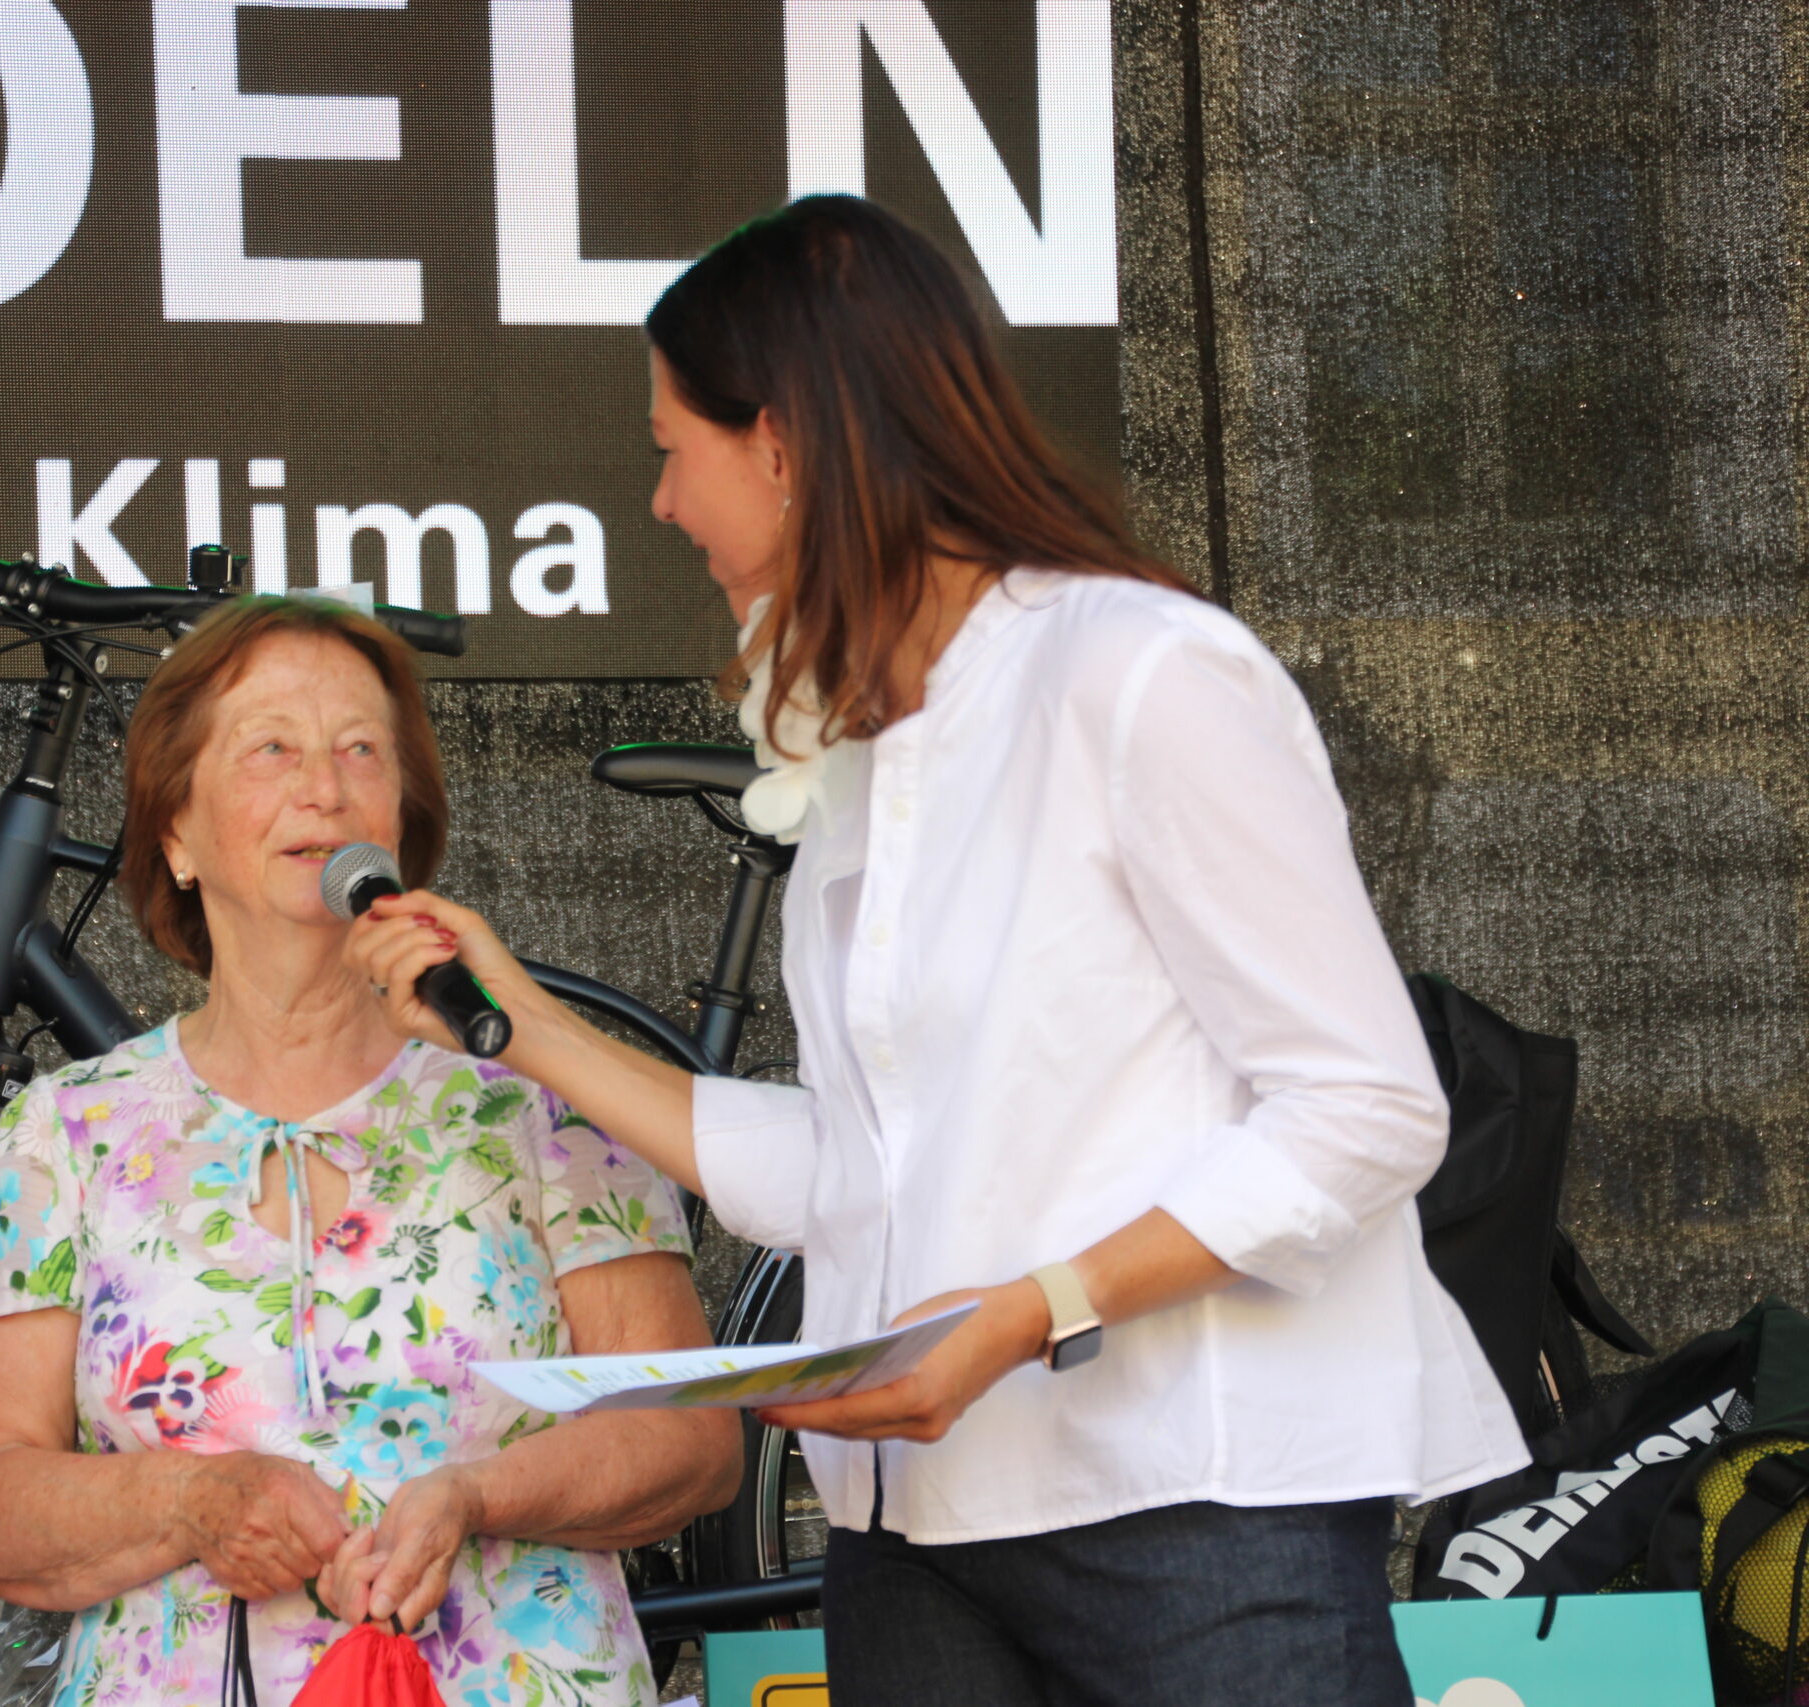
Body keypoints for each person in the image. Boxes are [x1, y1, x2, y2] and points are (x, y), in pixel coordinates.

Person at [346, 196, 1529, 1705]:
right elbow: (860, 1172)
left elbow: (1368, 1108)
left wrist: (1030, 1312)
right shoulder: (868, 749)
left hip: (1192, 1510)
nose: (661, 500)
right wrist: (526, 1025)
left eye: (672, 447)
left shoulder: (1139, 672)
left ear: (781, 443)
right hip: (909, 1529)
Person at [0, 597, 738, 1706]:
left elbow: (690, 1437)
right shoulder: (68, 1129)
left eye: (362, 749)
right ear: (174, 833)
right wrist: (188, 1502)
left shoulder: (541, 1092)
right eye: (272, 748)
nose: (325, 787)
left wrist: (476, 1496)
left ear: (401, 818)